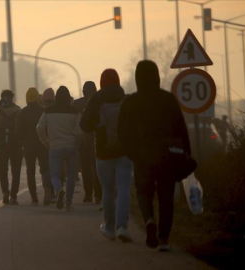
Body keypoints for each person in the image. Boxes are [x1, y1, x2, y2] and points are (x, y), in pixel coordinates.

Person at [117, 60, 192, 251]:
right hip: (167, 155)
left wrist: (130, 152)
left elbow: (122, 132)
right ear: (157, 76)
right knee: (166, 196)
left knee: (143, 191)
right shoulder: (168, 99)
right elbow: (181, 129)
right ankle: (164, 239)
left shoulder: (130, 102)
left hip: (142, 155)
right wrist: (186, 153)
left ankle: (149, 220)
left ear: (137, 78)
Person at [80, 69, 133, 242]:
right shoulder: (125, 98)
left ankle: (109, 228)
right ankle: (123, 227)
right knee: (124, 188)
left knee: (108, 190)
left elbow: (84, 125)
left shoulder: (96, 99)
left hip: (103, 152)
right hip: (125, 151)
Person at [37, 86, 82, 211]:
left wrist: (45, 141)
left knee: (54, 175)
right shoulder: (75, 110)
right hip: (71, 146)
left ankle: (59, 189)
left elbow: (39, 128)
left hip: (55, 147)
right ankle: (68, 203)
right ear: (68, 97)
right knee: (71, 176)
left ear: (56, 97)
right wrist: (77, 142)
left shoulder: (48, 110)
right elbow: (79, 130)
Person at [17, 87, 53, 205]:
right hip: (42, 144)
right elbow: (47, 128)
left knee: (30, 170)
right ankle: (47, 189)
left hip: (28, 146)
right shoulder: (43, 110)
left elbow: (19, 131)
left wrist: (22, 142)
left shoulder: (22, 112)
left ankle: (34, 196)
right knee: (45, 168)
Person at [0, 90, 23, 205]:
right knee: (16, 171)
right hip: (16, 146)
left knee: (3, 170)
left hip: (2, 146)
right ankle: (13, 196)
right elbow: (22, 129)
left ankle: (5, 192)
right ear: (12, 98)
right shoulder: (19, 111)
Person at [74, 81, 102, 204]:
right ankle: (98, 194)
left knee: (85, 168)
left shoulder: (77, 103)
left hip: (82, 141)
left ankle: (88, 194)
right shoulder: (99, 102)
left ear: (83, 91)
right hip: (97, 140)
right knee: (97, 168)